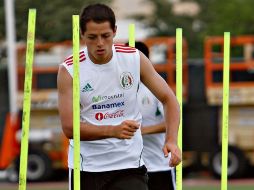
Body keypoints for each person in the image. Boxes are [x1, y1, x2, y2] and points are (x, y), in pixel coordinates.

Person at [57, 3, 181, 190]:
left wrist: (171, 140)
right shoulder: (69, 70)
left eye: (105, 36)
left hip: (129, 165)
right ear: (82, 34)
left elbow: (169, 99)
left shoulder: (134, 58)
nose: (100, 43)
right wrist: (112, 130)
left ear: (114, 31)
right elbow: (69, 127)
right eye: (92, 37)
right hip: (86, 167)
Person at [134, 42, 176, 190]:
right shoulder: (120, 88)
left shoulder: (156, 88)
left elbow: (171, 121)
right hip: (131, 167)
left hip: (159, 164)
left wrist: (142, 131)